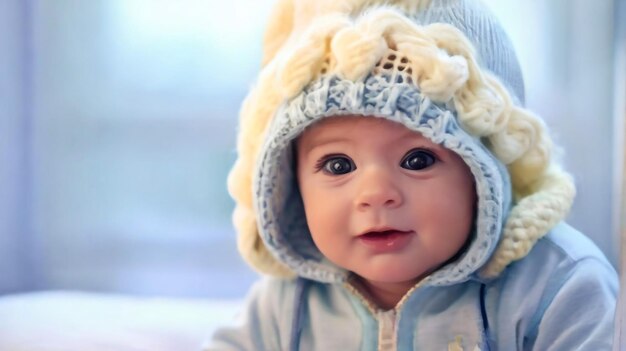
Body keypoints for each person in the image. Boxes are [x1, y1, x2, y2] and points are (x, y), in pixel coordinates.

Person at [206, 0, 618, 349]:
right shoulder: (286, 305)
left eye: (417, 160)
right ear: (291, 182)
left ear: (487, 172)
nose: (376, 194)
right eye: (338, 165)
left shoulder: (557, 287)